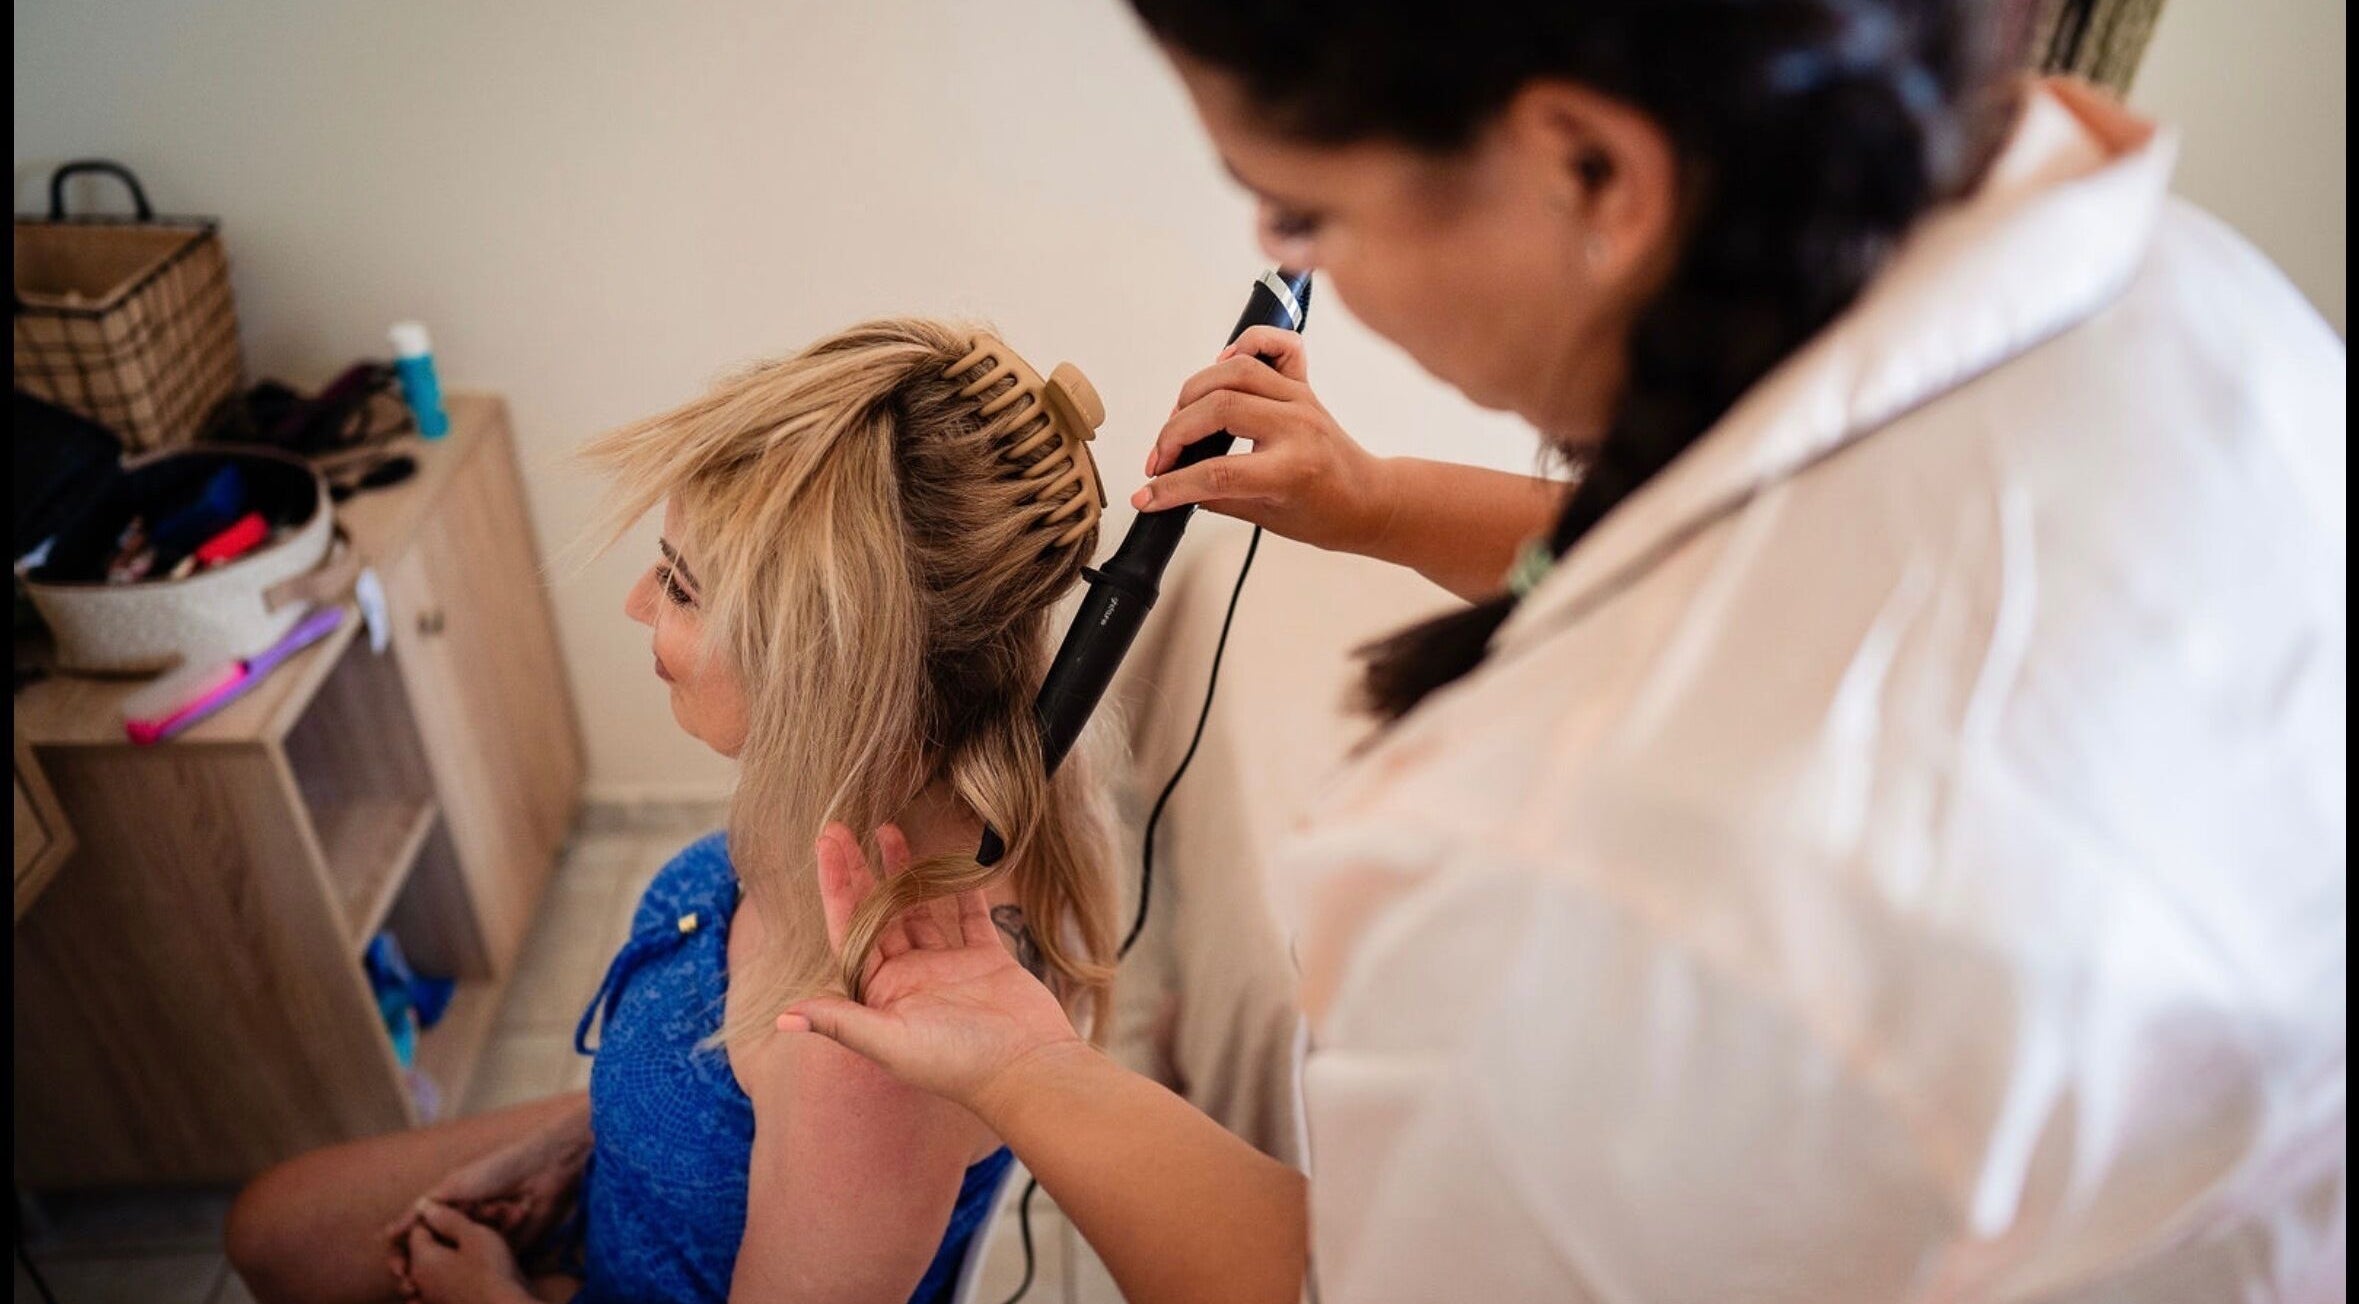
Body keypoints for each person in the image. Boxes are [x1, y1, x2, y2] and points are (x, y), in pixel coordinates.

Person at [774, 2, 2348, 1302]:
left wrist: (1028, 1072)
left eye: (1305, 207)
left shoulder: (1578, 872)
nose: (1272, 243)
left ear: (1590, 166)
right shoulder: (2168, 285)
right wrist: (1377, 500)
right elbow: (1748, 525)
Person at [226, 318, 1123, 1304]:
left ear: (831, 668)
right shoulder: (886, 796)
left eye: (685, 585)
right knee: (273, 1224)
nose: (639, 604)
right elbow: (735, 1090)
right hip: (631, 1173)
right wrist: (583, 1130)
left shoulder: (868, 1058)